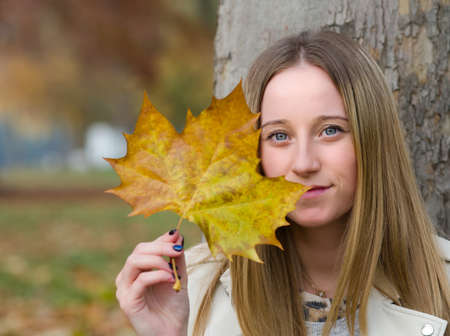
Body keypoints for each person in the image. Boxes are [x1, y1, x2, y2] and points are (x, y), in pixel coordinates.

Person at [114, 30, 450, 336]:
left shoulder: (442, 285)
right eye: (279, 136)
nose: (304, 163)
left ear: (372, 140)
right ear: (252, 152)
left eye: (330, 130)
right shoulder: (194, 291)